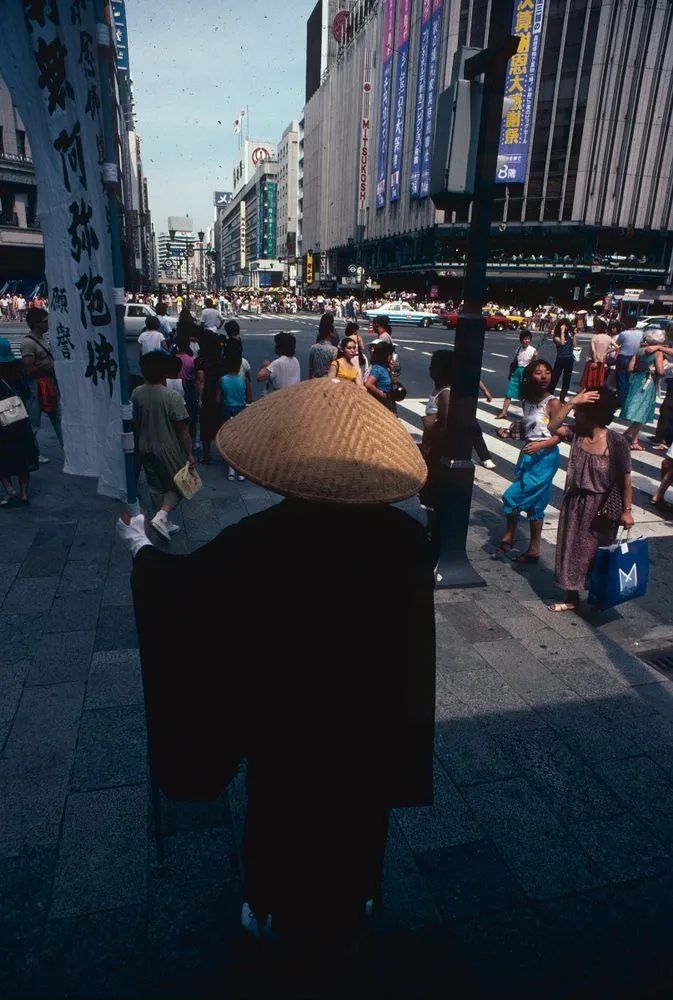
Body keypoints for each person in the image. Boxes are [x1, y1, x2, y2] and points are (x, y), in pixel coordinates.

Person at [116, 377, 434, 972]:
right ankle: (355, 908)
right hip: (370, 719)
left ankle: (277, 916)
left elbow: (186, 595)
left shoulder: (260, 541)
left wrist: (140, 550)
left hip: (288, 726)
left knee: (285, 818)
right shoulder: (408, 540)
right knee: (358, 818)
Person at [547, 387, 633, 612]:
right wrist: (573, 402)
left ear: (592, 415)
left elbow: (625, 479)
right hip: (575, 503)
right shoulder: (576, 434)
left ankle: (599, 594)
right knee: (570, 550)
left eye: (580, 412)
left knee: (597, 554)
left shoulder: (617, 442)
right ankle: (571, 597)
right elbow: (552, 426)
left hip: (602, 507)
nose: (576, 416)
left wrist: (626, 510)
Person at [497, 360, 563, 563]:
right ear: (529, 376)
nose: (544, 376)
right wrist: (509, 433)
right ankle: (532, 547)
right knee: (537, 505)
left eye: (547, 372)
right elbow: (530, 429)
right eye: (538, 372)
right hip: (528, 454)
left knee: (511, 496)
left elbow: (559, 434)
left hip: (545, 457)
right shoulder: (527, 401)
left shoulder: (553, 402)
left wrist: (540, 446)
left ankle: (510, 534)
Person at [131, 350, 195, 541]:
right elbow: (182, 431)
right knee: (181, 484)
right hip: (168, 446)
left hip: (144, 445)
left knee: (156, 485)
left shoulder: (137, 393)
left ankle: (163, 521)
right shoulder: (171, 396)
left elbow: (134, 422)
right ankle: (161, 516)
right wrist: (190, 454)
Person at [20, 306, 63, 458]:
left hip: (48, 383)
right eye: (45, 321)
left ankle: (68, 451)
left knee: (57, 418)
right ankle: (33, 453)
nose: (47, 323)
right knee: (34, 422)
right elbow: (29, 369)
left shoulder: (43, 338)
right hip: (36, 386)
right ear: (37, 323)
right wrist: (49, 368)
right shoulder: (28, 343)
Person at [0, 336, 38, 506]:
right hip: (20, 419)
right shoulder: (17, 369)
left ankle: (9, 489)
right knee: (24, 458)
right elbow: (27, 393)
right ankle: (24, 493)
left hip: (2, 423)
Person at [621, 330, 667, 450]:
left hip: (636, 380)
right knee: (642, 413)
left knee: (638, 412)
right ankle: (623, 437)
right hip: (648, 382)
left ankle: (634, 441)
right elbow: (660, 371)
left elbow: (630, 368)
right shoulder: (658, 353)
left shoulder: (639, 351)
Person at [215, 340, 251, 481]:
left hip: (226, 410)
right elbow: (249, 398)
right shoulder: (244, 380)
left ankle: (230, 469)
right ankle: (241, 469)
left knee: (228, 438)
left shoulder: (221, 380)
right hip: (240, 410)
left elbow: (217, 400)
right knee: (240, 438)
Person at [195, 332, 226, 464]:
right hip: (220, 393)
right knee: (222, 423)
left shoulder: (200, 361)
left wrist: (199, 397)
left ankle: (206, 455)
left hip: (207, 394)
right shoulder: (222, 361)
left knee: (205, 424)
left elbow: (200, 380)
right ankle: (226, 454)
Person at [497, 329, 538, 420]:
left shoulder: (533, 350)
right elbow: (515, 361)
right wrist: (511, 373)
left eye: (528, 339)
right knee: (509, 393)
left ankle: (526, 416)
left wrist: (535, 356)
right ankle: (504, 412)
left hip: (526, 372)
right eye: (525, 339)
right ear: (521, 340)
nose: (527, 341)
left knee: (524, 396)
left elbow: (534, 363)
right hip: (517, 372)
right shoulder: (518, 349)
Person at [174, 328, 198, 448]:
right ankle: (193, 442)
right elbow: (195, 375)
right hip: (188, 385)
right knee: (191, 417)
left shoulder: (173, 357)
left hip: (174, 385)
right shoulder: (191, 360)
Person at [614, 321, 644, 408]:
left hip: (623, 357)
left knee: (621, 380)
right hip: (634, 357)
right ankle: (628, 399)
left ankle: (621, 401)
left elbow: (617, 344)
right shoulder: (640, 333)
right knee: (629, 380)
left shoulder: (623, 334)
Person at [580, 324, 619, 390]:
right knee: (598, 378)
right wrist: (607, 352)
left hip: (593, 360)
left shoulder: (595, 337)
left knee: (590, 379)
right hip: (602, 360)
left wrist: (595, 361)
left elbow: (594, 351)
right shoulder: (608, 338)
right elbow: (617, 347)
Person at [549, 319, 575, 403]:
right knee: (555, 378)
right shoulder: (557, 336)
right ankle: (549, 396)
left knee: (567, 379)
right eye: (563, 326)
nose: (565, 327)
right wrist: (562, 331)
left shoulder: (569, 334)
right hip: (560, 358)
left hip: (569, 358)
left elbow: (574, 345)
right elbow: (562, 343)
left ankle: (562, 398)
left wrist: (575, 335)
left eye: (566, 326)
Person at [365, 341, 394, 408]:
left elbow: (393, 381)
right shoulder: (378, 369)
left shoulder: (386, 367)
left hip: (388, 399)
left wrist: (391, 370)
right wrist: (380, 393)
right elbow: (368, 384)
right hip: (379, 401)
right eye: (390, 354)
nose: (391, 356)